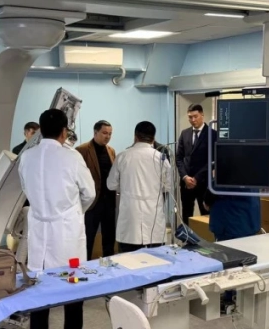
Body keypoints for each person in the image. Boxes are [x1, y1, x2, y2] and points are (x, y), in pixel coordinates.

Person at [18, 109, 96, 329]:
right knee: (73, 294)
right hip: (67, 238)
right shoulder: (71, 157)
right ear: (65, 132)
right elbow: (89, 193)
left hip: (40, 234)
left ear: (40, 131)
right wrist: (74, 212)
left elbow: (26, 189)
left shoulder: (26, 157)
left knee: (40, 294)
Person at [108, 121, 172, 253]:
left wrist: (125, 187)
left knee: (128, 260)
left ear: (135, 137)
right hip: (154, 220)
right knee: (156, 260)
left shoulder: (123, 156)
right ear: (153, 139)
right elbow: (168, 187)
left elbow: (111, 185)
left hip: (130, 220)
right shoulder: (161, 158)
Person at [76, 120, 116, 258]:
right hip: (92, 202)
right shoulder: (82, 150)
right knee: (88, 237)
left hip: (109, 201)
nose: (107, 136)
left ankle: (109, 263)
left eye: (110, 134)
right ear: (95, 132)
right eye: (104, 133)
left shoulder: (111, 151)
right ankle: (84, 262)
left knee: (109, 237)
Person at [176, 104, 217, 225]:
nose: (193, 120)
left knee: (206, 216)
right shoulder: (185, 133)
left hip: (203, 182)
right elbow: (179, 158)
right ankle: (187, 236)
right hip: (186, 182)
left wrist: (196, 178)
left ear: (202, 115)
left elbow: (214, 160)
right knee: (186, 215)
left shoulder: (213, 134)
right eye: (190, 117)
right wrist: (185, 177)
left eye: (195, 116)